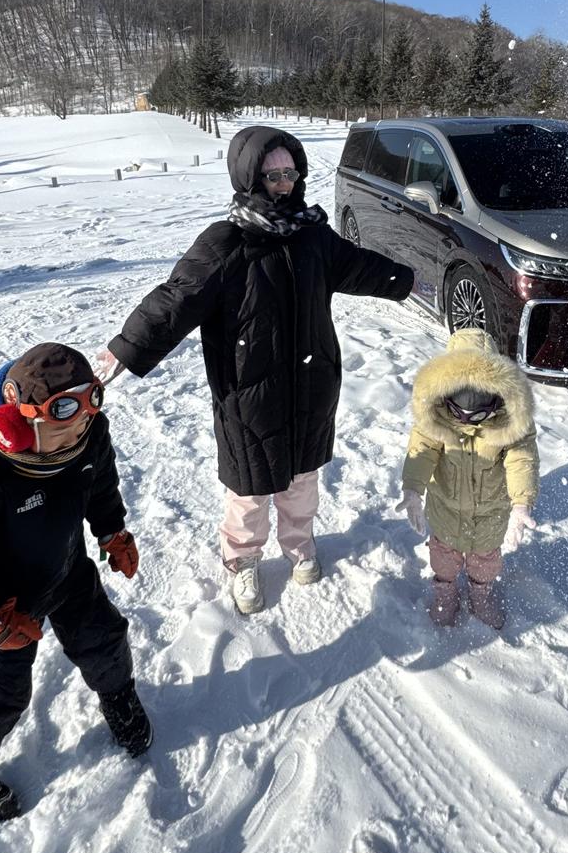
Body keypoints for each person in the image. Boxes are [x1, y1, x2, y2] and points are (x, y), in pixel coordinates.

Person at [100, 127, 414, 615]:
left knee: (302, 482)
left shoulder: (314, 236)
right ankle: (242, 561)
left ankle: (299, 545)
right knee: (249, 491)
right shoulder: (226, 243)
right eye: (273, 175)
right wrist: (127, 348)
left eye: (291, 173)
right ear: (249, 178)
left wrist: (405, 279)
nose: (284, 183)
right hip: (248, 394)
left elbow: (358, 267)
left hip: (312, 385)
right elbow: (175, 299)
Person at [0, 342, 151, 822]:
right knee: (1, 693)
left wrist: (112, 529)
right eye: (61, 434)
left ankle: (119, 697)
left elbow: (99, 481)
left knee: (105, 641)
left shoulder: (87, 434)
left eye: (83, 427)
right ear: (16, 428)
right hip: (3, 602)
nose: (75, 441)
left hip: (65, 571)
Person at [399, 328, 539, 629]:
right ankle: (444, 592)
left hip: (489, 511)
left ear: (495, 400)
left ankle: (481, 594)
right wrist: (412, 489)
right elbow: (422, 450)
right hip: (445, 508)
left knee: (486, 560)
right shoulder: (435, 416)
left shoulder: (511, 422)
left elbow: (521, 459)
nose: (466, 423)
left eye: (476, 416)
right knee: (443, 557)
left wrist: (520, 503)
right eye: (457, 414)